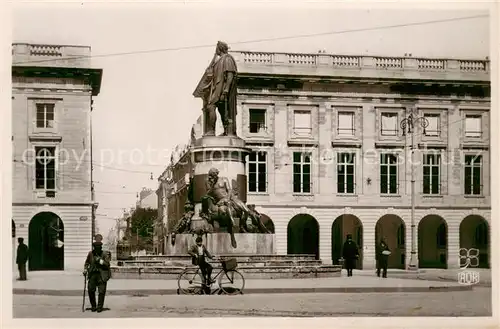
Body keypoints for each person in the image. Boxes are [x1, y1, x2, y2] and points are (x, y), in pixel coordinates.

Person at [83, 235, 111, 312]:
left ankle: (99, 307)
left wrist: (100, 261)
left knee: (101, 291)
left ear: (101, 248)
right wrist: (85, 270)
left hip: (102, 275)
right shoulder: (90, 254)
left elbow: (107, 264)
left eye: (98, 247)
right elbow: (87, 263)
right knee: (90, 290)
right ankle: (93, 306)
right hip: (92, 275)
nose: (97, 249)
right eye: (95, 247)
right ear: (94, 248)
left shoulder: (104, 254)